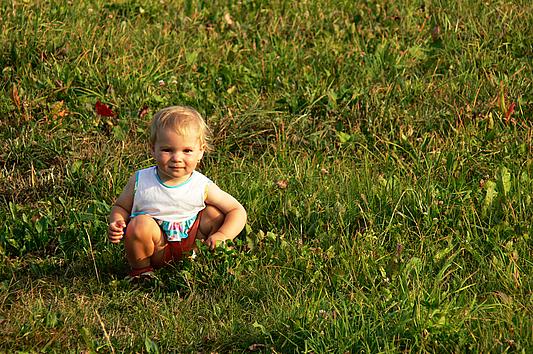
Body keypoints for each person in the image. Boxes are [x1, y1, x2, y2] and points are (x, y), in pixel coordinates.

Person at [107, 106, 247, 280]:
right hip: (156, 248)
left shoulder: (201, 185)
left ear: (200, 152)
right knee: (139, 224)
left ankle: (205, 260)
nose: (177, 158)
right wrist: (117, 221)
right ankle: (142, 271)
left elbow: (237, 210)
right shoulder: (141, 180)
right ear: (153, 149)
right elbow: (121, 206)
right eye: (167, 150)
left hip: (193, 244)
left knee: (214, 214)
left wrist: (223, 235)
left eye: (187, 150)